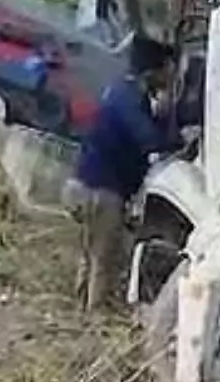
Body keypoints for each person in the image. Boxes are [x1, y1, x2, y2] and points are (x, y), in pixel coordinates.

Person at [67, 34, 178, 311]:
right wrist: (167, 115)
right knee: (105, 260)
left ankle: (81, 312)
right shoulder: (129, 98)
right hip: (102, 190)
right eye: (167, 70)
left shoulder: (119, 91)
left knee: (91, 256)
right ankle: (95, 317)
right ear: (152, 72)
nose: (171, 77)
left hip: (84, 184)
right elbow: (151, 140)